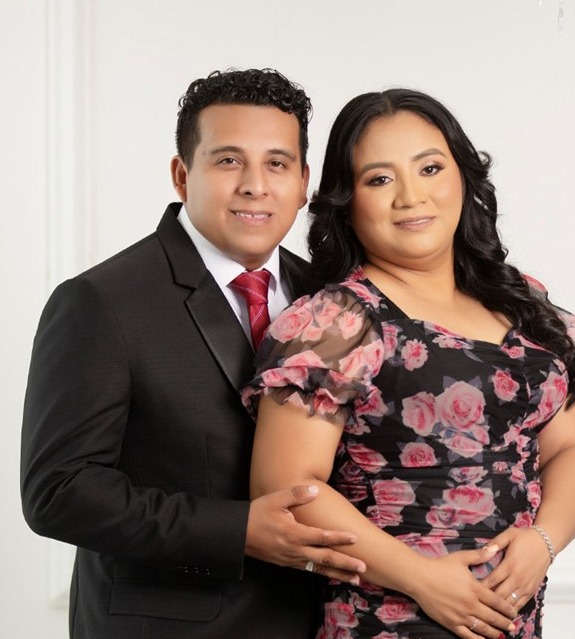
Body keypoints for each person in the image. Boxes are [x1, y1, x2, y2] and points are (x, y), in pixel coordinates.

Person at [243, 88, 575, 639]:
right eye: (379, 179)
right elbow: (286, 487)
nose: (411, 197)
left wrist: (542, 542)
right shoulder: (336, 321)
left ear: (463, 177)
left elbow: (574, 450)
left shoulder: (523, 304)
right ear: (347, 203)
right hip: (387, 620)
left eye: (430, 169)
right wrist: (422, 579)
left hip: (511, 621)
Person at [20, 68, 366, 639]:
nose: (255, 185)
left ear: (304, 180)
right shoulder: (100, 301)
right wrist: (237, 531)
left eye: (277, 164)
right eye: (228, 160)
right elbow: (59, 491)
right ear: (183, 175)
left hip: (316, 623)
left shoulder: (333, 299)